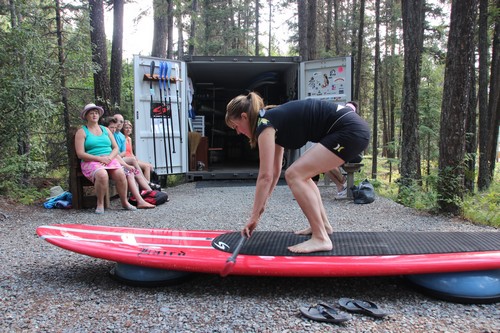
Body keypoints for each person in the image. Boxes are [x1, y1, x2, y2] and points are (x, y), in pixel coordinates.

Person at [225, 92, 370, 253]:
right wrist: (261, 207)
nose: (238, 132)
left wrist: (254, 216)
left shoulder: (264, 124)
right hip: (352, 130)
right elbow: (274, 170)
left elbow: (265, 176)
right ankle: (324, 227)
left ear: (244, 117)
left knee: (294, 174)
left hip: (350, 131)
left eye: (235, 126)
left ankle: (321, 237)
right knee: (301, 174)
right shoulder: (270, 119)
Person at [74, 104, 137, 214]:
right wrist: (99, 159)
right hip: (91, 160)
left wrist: (109, 158)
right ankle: (100, 204)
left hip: (109, 159)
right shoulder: (82, 132)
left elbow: (116, 147)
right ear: (86, 116)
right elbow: (80, 154)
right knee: (102, 174)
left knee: (120, 173)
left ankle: (124, 202)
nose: (94, 115)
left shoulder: (106, 130)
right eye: (91, 113)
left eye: (96, 113)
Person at [102, 117, 156, 209]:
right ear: (105, 128)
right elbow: (115, 154)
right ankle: (146, 192)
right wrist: (126, 164)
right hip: (110, 161)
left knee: (134, 169)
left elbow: (119, 152)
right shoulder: (106, 136)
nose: (114, 129)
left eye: (115, 127)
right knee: (130, 169)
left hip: (117, 159)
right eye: (112, 127)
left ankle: (150, 193)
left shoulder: (117, 136)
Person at [121, 120, 154, 184]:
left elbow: (131, 152)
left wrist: (134, 157)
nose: (128, 130)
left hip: (132, 158)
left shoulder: (129, 139)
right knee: (146, 167)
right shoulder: (122, 138)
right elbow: (123, 153)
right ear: (123, 129)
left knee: (150, 166)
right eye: (126, 128)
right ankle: (147, 185)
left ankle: (150, 182)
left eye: (130, 128)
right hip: (127, 160)